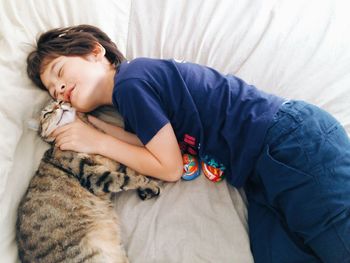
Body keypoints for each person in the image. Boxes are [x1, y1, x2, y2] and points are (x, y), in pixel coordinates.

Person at [27, 24, 350, 262]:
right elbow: (151, 148)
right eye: (53, 89)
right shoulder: (131, 98)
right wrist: (97, 129)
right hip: (258, 171)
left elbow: (169, 167)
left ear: (95, 52)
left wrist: (96, 140)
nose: (60, 88)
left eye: (59, 71)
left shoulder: (131, 82)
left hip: (287, 140)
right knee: (277, 253)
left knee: (338, 236)